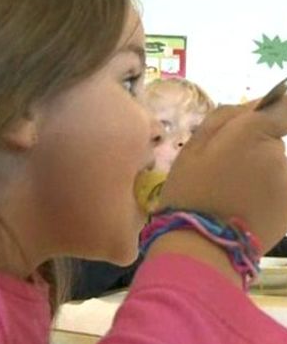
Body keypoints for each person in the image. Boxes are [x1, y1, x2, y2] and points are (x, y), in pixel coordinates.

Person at [0, 0, 287, 344]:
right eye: (130, 80)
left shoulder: (12, 283)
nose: (154, 128)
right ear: (16, 103)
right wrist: (208, 235)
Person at [71, 78, 216, 300]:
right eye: (165, 125)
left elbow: (247, 243)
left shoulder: (194, 216)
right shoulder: (109, 213)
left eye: (196, 131)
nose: (183, 140)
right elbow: (76, 283)